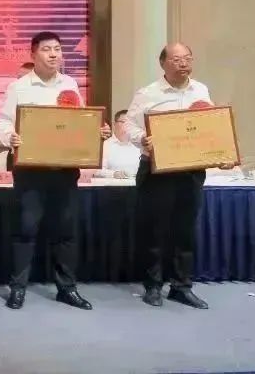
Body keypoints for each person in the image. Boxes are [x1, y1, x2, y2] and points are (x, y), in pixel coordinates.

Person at [0, 31, 93, 311]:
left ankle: (67, 288)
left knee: (66, 231)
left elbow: (80, 121)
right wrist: (11, 137)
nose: (54, 54)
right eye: (47, 49)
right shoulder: (19, 87)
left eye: (58, 49)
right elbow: (3, 121)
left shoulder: (70, 84)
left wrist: (94, 131)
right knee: (25, 230)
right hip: (31, 171)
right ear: (33, 54)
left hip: (64, 169)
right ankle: (18, 288)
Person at [124, 43, 221, 309]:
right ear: (163, 63)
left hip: (190, 170)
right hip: (157, 169)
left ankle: (181, 286)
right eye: (177, 59)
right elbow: (129, 124)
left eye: (188, 58)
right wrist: (143, 138)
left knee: (185, 230)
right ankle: (153, 286)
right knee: (154, 230)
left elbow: (212, 125)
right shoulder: (148, 93)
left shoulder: (200, 90)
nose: (183, 63)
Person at [88, 109, 141, 179]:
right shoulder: (105, 145)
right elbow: (97, 170)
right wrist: (114, 174)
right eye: (124, 122)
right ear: (115, 124)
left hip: (136, 184)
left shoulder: (138, 145)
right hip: (113, 184)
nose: (128, 126)